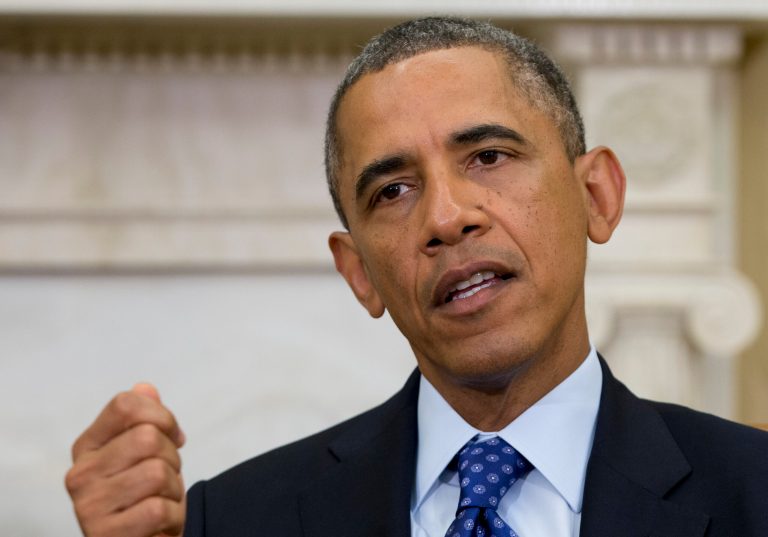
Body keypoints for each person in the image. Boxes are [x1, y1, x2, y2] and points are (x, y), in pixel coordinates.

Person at [65, 16, 768, 537]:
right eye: (392, 191)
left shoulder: (753, 493)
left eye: (488, 156)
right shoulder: (238, 519)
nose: (447, 216)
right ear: (359, 272)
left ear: (597, 195)